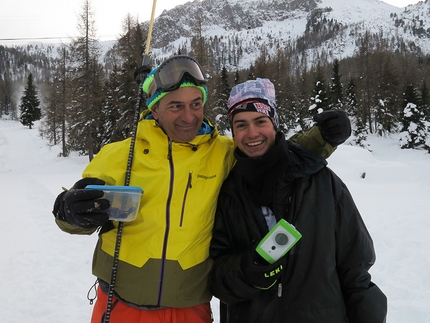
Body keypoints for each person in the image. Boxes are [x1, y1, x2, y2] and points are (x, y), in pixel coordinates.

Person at [52, 56, 351, 323]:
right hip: (120, 304)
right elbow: (79, 213)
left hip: (189, 307)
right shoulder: (119, 155)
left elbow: (272, 154)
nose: (188, 116)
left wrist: (321, 137)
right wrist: (70, 210)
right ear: (155, 110)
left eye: (196, 104)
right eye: (175, 106)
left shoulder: (221, 152)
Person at [209, 78, 387, 323]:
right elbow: (216, 277)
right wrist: (248, 270)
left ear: (274, 123)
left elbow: (356, 271)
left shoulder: (322, 183)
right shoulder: (227, 192)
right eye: (241, 125)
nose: (252, 133)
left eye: (260, 121)